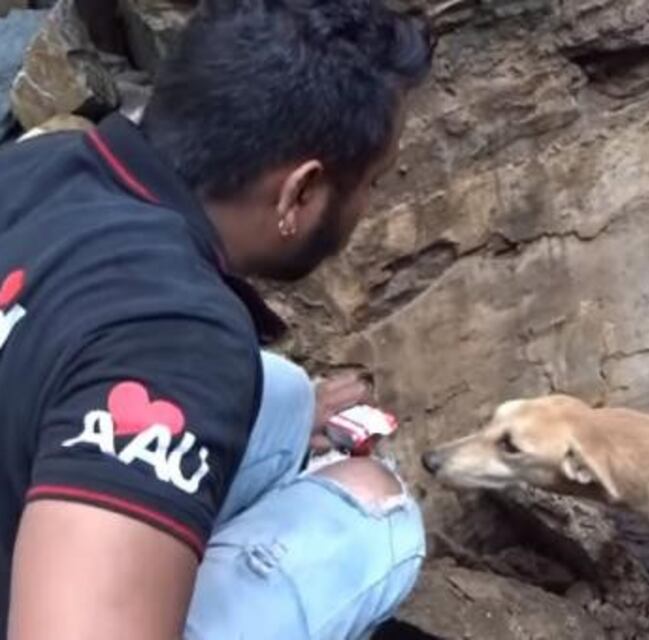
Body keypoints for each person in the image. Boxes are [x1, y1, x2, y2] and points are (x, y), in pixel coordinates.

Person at [0, 1, 434, 638]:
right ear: (300, 193)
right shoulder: (179, 336)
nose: (369, 202)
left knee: (282, 393)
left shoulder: (41, 163)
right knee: (377, 511)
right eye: (373, 181)